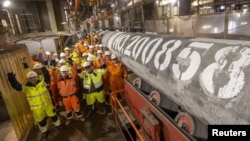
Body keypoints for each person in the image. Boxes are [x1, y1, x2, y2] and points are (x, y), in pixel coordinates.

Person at [7, 67, 63, 139]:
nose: (33, 79)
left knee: (53, 116)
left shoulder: (42, 83)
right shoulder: (27, 88)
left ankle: (58, 125)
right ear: (28, 79)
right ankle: (44, 131)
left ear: (37, 77)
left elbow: (47, 79)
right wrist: (12, 80)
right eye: (31, 78)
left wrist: (44, 71)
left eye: (34, 77)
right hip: (37, 109)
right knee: (41, 121)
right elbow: (18, 87)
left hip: (48, 105)